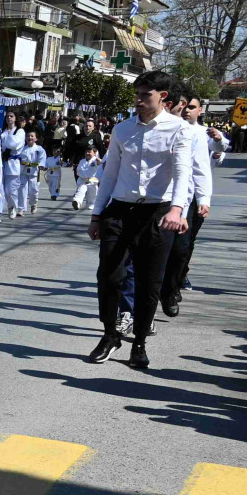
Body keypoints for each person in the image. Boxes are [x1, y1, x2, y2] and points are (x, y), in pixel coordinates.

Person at [87, 71, 193, 372]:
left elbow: (183, 173)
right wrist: (97, 214)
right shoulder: (122, 130)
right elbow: (110, 175)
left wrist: (177, 210)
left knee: (149, 282)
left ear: (164, 98)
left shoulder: (179, 130)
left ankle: (140, 343)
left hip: (158, 213)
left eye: (146, 95)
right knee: (109, 275)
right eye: (137, 94)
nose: (139, 100)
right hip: (120, 210)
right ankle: (109, 334)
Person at [160, 93, 218, 319]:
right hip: (154, 197)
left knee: (180, 248)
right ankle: (147, 294)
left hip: (185, 198)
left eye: (185, 105)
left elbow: (201, 167)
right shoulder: (152, 127)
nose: (181, 109)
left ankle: (170, 290)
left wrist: (204, 199)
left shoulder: (196, 133)